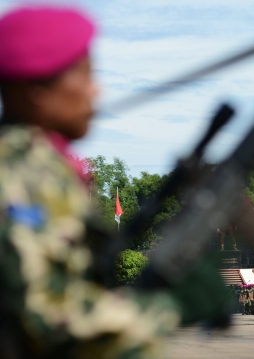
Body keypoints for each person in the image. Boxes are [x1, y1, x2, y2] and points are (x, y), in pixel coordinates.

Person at [0, 6, 229, 359]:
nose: (95, 91)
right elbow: (47, 318)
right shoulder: (22, 176)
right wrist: (169, 308)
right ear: (37, 90)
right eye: (85, 76)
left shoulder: (37, 166)